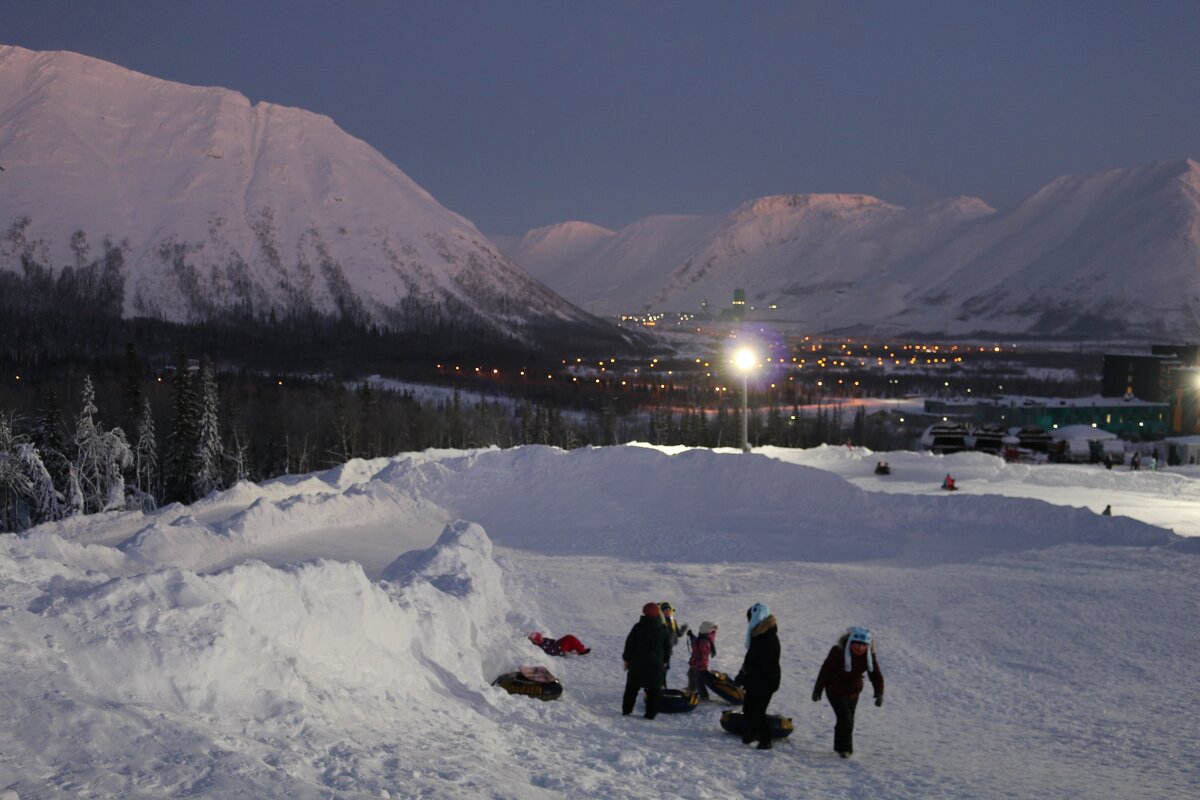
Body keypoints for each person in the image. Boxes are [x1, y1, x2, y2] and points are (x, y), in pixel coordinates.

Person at [812, 626, 885, 758]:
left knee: (847, 720)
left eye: (863, 645)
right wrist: (818, 689)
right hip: (835, 690)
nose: (860, 648)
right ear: (851, 641)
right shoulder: (838, 652)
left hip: (853, 692)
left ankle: (840, 746)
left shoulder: (868, 655)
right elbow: (825, 670)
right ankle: (846, 749)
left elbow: (875, 674)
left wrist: (879, 692)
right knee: (846, 719)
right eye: (857, 644)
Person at [734, 603, 781, 750]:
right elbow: (750, 657)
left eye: (750, 618)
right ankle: (754, 732)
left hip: (766, 681)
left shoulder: (768, 637)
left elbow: (762, 663)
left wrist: (746, 675)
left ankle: (766, 739)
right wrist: (742, 672)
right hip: (755, 680)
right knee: (748, 709)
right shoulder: (757, 635)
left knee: (758, 711)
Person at [622, 602, 671, 718]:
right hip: (656, 665)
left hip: (637, 665)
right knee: (654, 691)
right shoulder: (663, 629)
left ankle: (627, 711)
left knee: (632, 688)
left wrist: (626, 658)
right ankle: (650, 714)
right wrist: (664, 661)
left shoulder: (638, 627)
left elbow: (629, 644)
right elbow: (667, 648)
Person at [686, 621, 718, 699]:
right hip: (695, 661)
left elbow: (697, 647)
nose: (699, 628)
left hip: (700, 663)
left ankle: (704, 695)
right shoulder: (703, 637)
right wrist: (691, 636)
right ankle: (691, 689)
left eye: (701, 627)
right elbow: (696, 642)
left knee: (698, 679)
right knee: (691, 674)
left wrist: (692, 637)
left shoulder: (705, 641)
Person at [659, 601, 687, 687]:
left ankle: (661, 685)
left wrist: (683, 629)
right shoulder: (659, 622)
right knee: (661, 668)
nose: (667, 612)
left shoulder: (673, 621)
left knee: (665, 668)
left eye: (668, 610)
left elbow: (678, 634)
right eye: (665, 610)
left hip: (669, 650)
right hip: (660, 649)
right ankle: (660, 686)